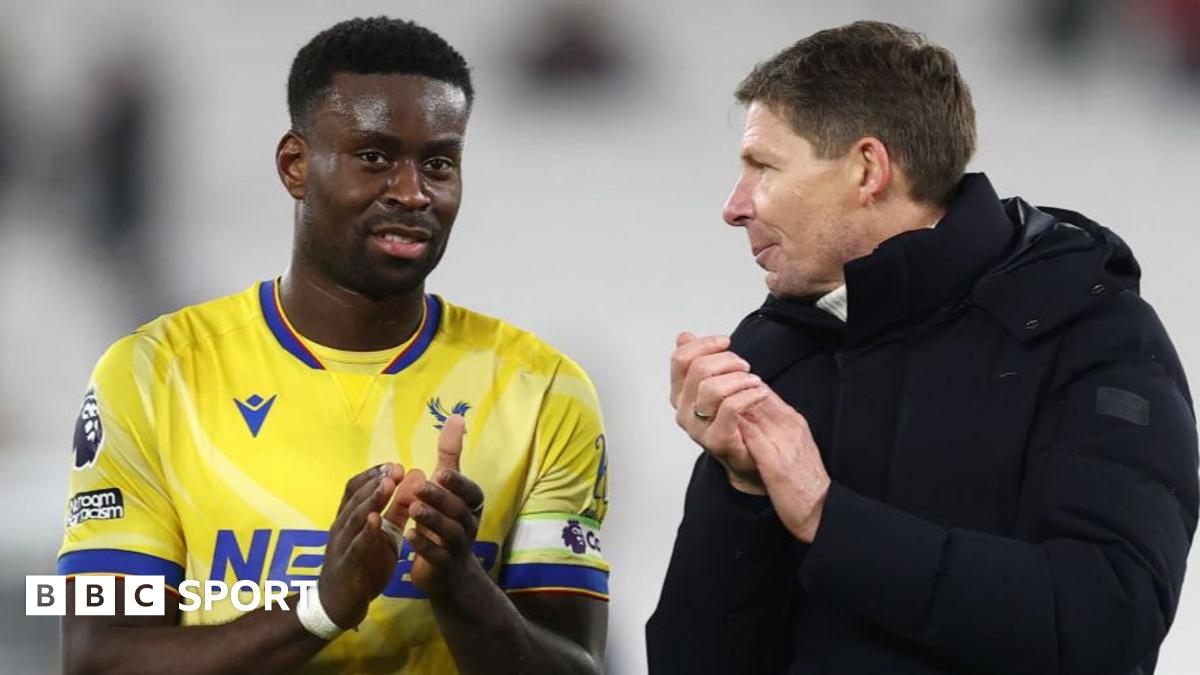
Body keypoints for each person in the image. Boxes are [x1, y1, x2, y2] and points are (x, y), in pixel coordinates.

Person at [58, 17, 609, 674]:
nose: (412, 193)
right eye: (374, 157)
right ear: (296, 165)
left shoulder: (543, 390)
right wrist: (320, 606)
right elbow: (99, 656)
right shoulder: (150, 375)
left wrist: (460, 583)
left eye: (439, 162)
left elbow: (578, 666)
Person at [646, 20, 1197, 675]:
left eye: (764, 167)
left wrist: (830, 518)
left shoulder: (1092, 334)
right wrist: (742, 494)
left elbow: (1107, 620)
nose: (735, 207)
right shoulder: (774, 350)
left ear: (867, 169)